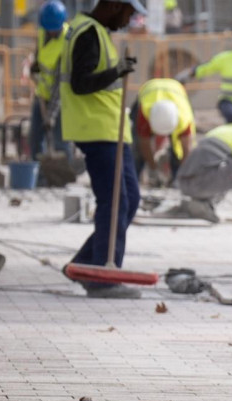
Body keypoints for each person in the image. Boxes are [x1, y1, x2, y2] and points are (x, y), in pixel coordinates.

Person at [59, 0, 145, 299]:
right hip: (96, 131)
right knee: (114, 202)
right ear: (112, 5)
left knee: (129, 199)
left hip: (111, 131)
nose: (128, 20)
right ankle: (103, 277)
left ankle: (83, 265)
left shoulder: (94, 31)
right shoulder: (89, 33)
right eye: (128, 13)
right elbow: (80, 85)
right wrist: (117, 71)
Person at [130, 78, 195, 186]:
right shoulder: (144, 113)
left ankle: (176, 179)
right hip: (148, 90)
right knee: (136, 149)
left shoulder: (184, 119)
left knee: (177, 150)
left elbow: (186, 149)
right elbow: (144, 144)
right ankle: (134, 180)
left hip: (176, 91)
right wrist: (153, 168)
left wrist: (183, 173)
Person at [29, 0, 72, 165]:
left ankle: (62, 175)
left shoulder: (67, 43)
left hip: (61, 99)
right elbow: (40, 55)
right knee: (35, 137)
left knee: (60, 139)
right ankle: (38, 173)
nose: (52, 32)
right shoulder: (43, 32)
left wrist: (51, 116)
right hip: (42, 94)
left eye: (55, 29)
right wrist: (35, 67)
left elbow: (60, 85)